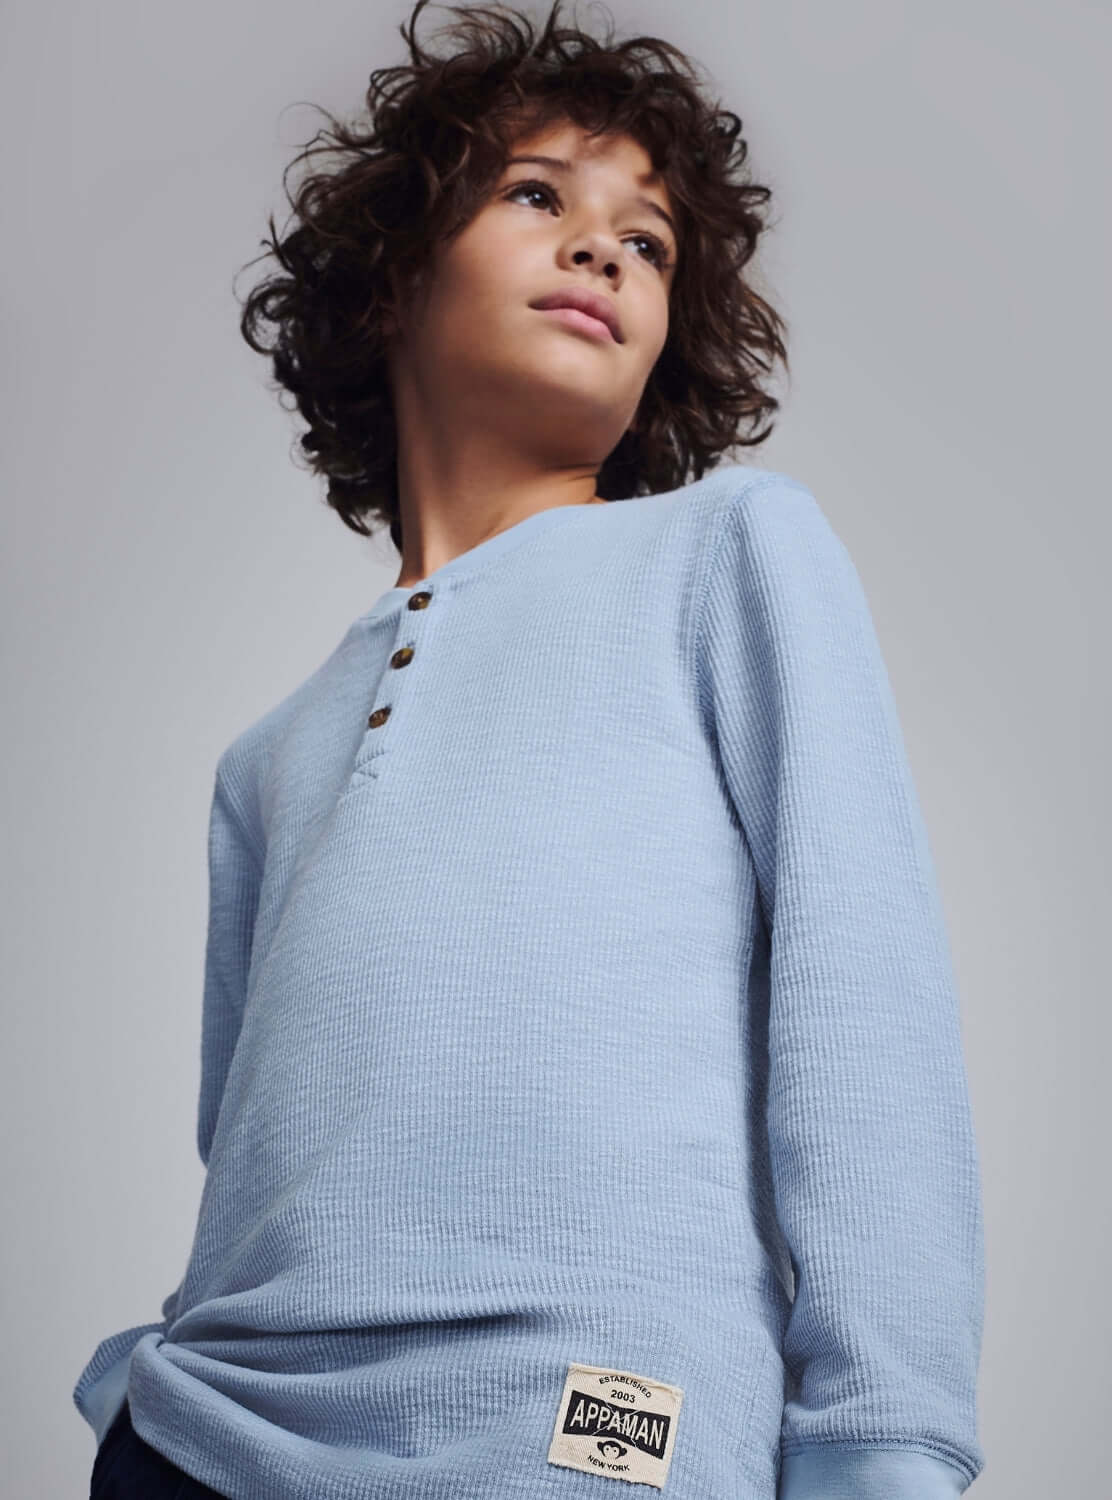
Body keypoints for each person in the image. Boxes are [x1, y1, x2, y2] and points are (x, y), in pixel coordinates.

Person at [75, 2, 986, 1496]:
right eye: (536, 194)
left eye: (650, 243)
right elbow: (253, 1146)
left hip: (584, 1421)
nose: (604, 251)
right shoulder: (266, 761)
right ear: (395, 278)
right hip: (213, 1442)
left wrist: (886, 1433)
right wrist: (155, 1386)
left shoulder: (726, 553)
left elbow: (863, 989)